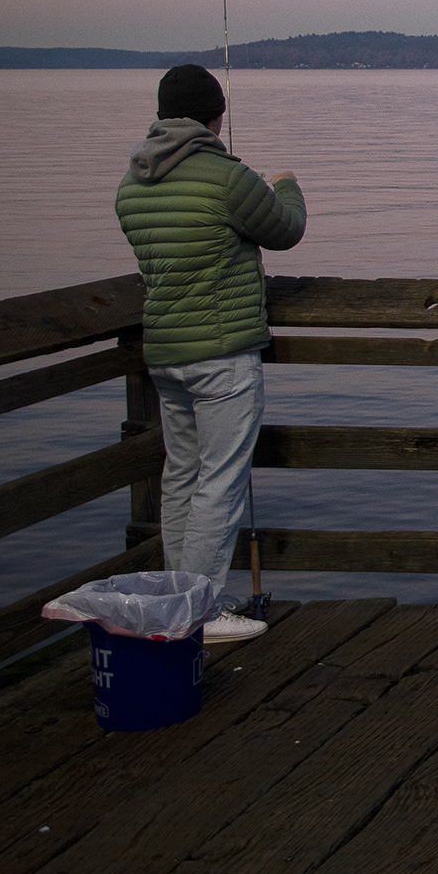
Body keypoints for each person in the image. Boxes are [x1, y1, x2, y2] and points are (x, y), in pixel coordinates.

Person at [114, 64, 306, 643]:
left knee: (183, 477)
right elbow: (286, 228)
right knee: (219, 482)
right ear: (214, 115)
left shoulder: (131, 183)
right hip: (222, 355)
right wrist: (288, 183)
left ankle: (177, 602)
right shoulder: (226, 177)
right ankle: (197, 609)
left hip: (165, 353)